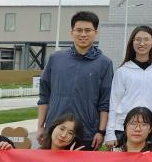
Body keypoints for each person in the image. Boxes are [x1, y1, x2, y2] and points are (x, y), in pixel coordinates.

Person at [37, 10, 114, 150]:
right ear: (71, 32)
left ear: (95, 32)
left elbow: (105, 101)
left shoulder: (104, 63)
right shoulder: (55, 59)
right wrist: (40, 126)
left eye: (88, 30)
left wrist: (101, 131)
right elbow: (44, 95)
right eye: (79, 30)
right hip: (55, 130)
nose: (83, 34)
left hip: (86, 133)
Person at [108, 26, 152, 149]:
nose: (142, 43)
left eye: (146, 39)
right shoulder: (123, 70)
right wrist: (110, 132)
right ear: (132, 42)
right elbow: (114, 102)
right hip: (124, 128)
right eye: (138, 39)